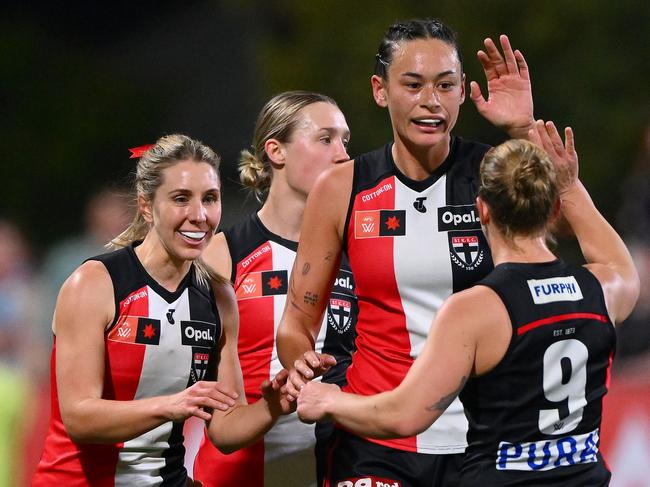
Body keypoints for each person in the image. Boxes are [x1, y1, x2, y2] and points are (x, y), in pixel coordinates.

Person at [297, 121, 640, 486]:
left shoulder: (476, 310)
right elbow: (618, 261)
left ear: (483, 210)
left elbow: (406, 415)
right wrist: (570, 185)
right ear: (555, 210)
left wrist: (329, 400)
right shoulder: (603, 288)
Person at [277, 18, 535, 486]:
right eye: (413, 85)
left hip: (481, 441)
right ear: (381, 90)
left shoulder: (495, 176)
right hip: (369, 441)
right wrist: (301, 367)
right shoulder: (341, 188)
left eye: (445, 85)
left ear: (462, 93)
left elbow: (564, 251)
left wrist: (524, 130)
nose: (430, 102)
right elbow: (297, 323)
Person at [32, 134, 294, 486]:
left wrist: (272, 406)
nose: (199, 216)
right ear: (145, 205)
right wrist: (172, 405)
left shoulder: (218, 298)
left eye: (210, 199)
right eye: (181, 199)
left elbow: (225, 428)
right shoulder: (94, 283)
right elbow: (79, 418)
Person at [192, 91, 357, 487]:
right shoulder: (222, 255)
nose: (342, 155)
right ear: (276, 151)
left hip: (340, 468)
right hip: (238, 473)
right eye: (325, 139)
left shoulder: (362, 251)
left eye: (345, 141)